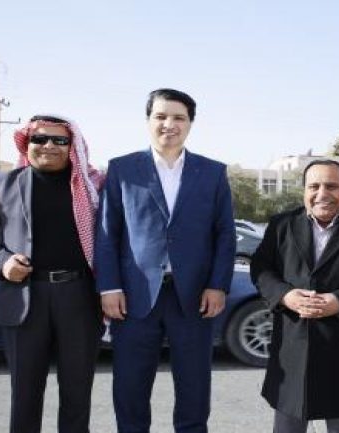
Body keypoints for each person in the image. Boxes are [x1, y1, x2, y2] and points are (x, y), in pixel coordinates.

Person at [95, 88, 236, 433]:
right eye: (160, 116)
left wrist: (218, 285)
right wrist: (109, 287)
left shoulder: (213, 172)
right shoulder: (122, 169)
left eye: (178, 117)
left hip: (194, 297)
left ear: (190, 124)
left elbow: (224, 234)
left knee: (194, 387)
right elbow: (108, 234)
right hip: (134, 297)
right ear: (148, 121)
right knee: (130, 385)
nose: (169, 124)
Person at [0, 114, 104, 433]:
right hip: (24, 298)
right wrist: (2, 262)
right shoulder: (2, 183)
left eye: (59, 140)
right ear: (26, 143)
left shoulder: (94, 187)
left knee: (77, 393)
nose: (48, 146)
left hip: (79, 298)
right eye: (39, 139)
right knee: (25, 395)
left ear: (72, 146)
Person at [251, 160, 339, 433]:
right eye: (314, 186)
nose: (322, 194)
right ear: (304, 190)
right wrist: (285, 295)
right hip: (292, 350)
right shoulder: (282, 224)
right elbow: (261, 268)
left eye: (331, 186)